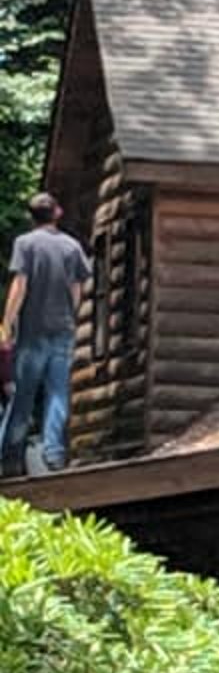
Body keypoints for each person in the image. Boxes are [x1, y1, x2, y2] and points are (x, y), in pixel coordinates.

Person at [1, 192, 90, 476]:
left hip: (32, 331)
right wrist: (70, 315)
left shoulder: (25, 244)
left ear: (31, 217)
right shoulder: (72, 246)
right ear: (57, 212)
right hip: (62, 329)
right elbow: (77, 288)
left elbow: (20, 285)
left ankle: (10, 456)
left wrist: (7, 323)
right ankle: (54, 453)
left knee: (23, 395)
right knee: (58, 392)